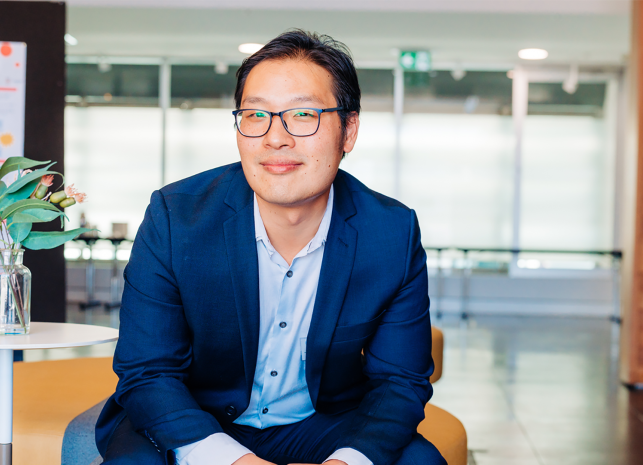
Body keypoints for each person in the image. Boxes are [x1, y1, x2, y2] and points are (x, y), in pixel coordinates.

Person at [95, 29, 444, 465]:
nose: (275, 138)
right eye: (256, 116)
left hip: (320, 422)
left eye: (302, 115)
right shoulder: (176, 217)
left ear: (348, 130)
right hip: (194, 416)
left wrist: (345, 462)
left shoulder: (390, 232)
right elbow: (147, 371)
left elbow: (400, 380)